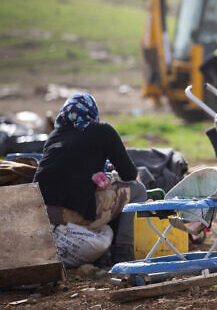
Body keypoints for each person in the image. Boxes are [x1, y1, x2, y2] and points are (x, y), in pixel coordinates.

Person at [33, 93, 147, 263]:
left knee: (93, 194)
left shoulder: (54, 136)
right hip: (71, 215)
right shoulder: (103, 131)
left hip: (42, 216)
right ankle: (123, 252)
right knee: (138, 190)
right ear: (92, 111)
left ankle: (104, 254)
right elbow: (129, 174)